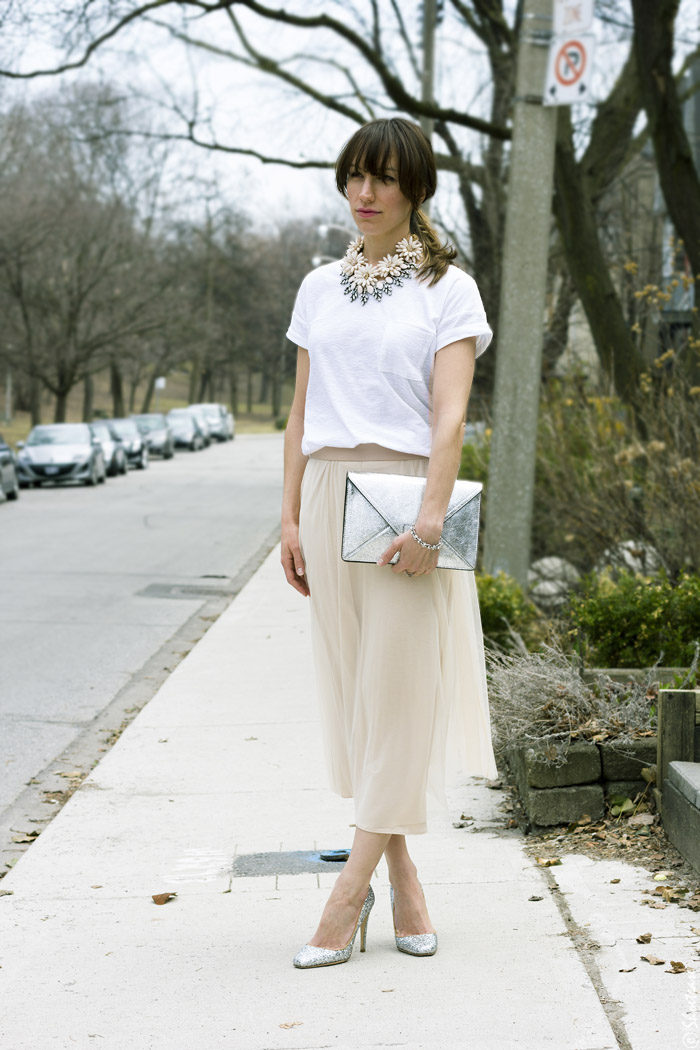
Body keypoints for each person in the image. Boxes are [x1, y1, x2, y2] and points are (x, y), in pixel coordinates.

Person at [281, 117, 498, 970]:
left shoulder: (451, 290)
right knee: (363, 703)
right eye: (354, 177)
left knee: (400, 699)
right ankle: (404, 883)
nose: (364, 194)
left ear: (415, 189)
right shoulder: (317, 287)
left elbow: (450, 414)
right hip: (328, 493)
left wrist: (432, 516)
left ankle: (345, 899)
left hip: (408, 500)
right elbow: (300, 414)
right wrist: (291, 515)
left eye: (383, 179)